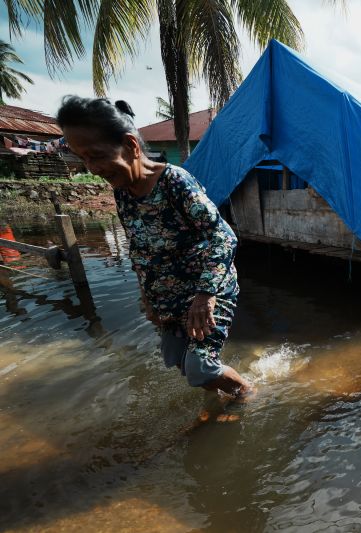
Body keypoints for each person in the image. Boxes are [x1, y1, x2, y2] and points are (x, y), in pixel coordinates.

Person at [56, 96, 252, 400]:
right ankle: (214, 404)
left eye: (96, 156)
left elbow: (223, 237)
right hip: (167, 298)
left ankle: (246, 394)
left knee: (201, 366)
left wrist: (204, 296)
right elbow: (138, 249)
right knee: (179, 362)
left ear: (131, 146)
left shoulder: (174, 182)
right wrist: (147, 298)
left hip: (207, 292)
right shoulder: (123, 191)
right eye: (83, 159)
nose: (91, 168)